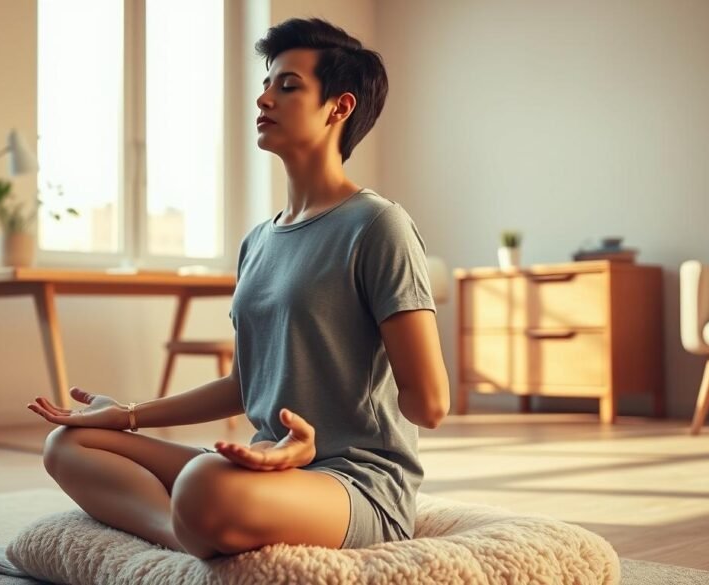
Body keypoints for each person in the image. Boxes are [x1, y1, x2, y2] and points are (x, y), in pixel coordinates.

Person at [28, 17, 449, 560]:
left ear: (339, 108)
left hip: (354, 487)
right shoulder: (258, 241)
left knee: (205, 482)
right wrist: (126, 415)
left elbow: (430, 406)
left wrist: (315, 441)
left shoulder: (378, 226)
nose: (264, 96)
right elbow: (246, 382)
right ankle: (185, 533)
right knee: (69, 444)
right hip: (263, 466)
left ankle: (197, 517)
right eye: (268, 82)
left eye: (288, 85)